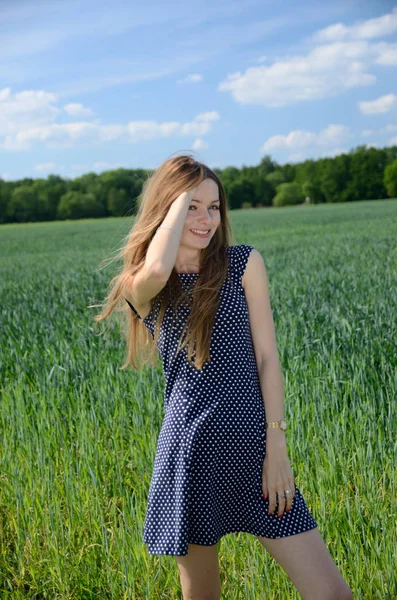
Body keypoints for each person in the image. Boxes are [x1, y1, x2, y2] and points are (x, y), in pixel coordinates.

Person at [94, 155, 353, 600]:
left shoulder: (243, 264)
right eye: (191, 207)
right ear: (167, 210)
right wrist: (179, 197)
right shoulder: (143, 284)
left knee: (332, 594)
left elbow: (268, 359)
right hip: (191, 456)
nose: (206, 219)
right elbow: (157, 267)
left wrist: (277, 448)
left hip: (257, 454)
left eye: (214, 207)